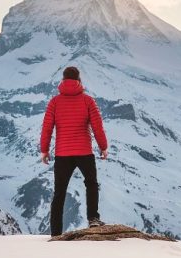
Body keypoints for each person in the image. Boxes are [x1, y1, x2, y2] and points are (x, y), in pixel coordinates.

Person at [40, 66, 108, 236]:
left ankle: (55, 232)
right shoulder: (88, 101)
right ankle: (93, 219)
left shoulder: (54, 102)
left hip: (63, 154)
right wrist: (103, 147)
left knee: (59, 192)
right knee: (91, 184)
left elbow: (47, 128)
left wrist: (44, 150)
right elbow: (97, 126)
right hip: (84, 152)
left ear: (62, 80)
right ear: (79, 80)